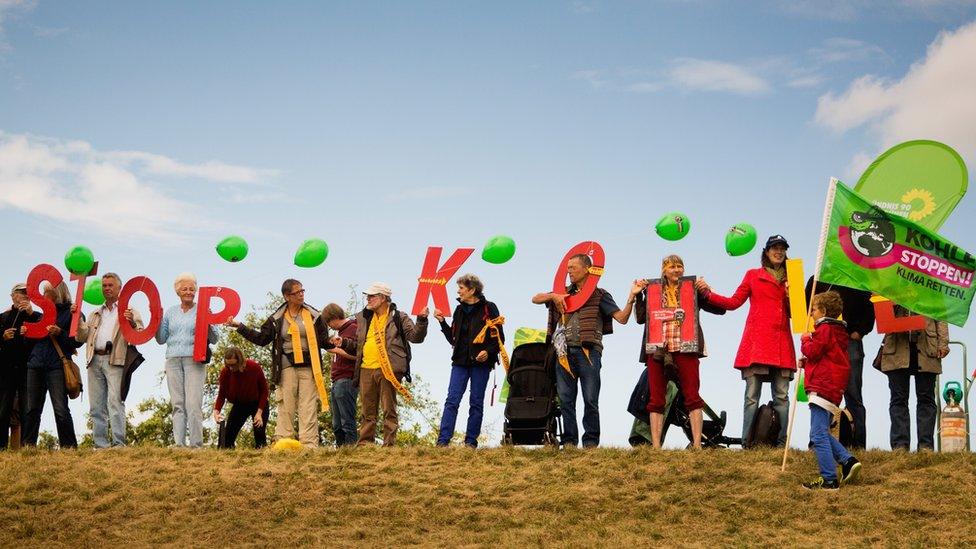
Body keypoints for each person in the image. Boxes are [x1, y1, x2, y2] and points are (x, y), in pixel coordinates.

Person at [532, 253, 641, 448]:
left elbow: (622, 318)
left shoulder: (600, 295)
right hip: (563, 353)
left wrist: (632, 296)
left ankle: (590, 442)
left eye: (573, 268)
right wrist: (553, 296)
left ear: (586, 269)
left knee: (591, 399)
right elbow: (535, 299)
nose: (569, 272)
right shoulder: (562, 293)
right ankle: (569, 442)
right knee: (566, 400)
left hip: (589, 352)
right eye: (567, 268)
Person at [698, 235, 797, 445]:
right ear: (767, 252)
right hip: (757, 345)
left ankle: (781, 444)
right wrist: (707, 293)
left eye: (782, 248)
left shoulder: (793, 277)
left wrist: (790, 295)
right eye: (774, 248)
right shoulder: (753, 275)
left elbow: (797, 315)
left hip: (781, 344)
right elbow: (733, 302)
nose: (778, 252)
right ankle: (747, 442)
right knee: (752, 397)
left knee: (782, 397)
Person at [226, 279, 330, 447]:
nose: (301, 294)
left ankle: (309, 444)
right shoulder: (277, 317)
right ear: (287, 296)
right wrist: (239, 326)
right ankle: (284, 442)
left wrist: (335, 341)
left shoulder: (314, 315)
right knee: (286, 405)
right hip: (286, 366)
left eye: (303, 291)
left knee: (308, 406)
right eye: (297, 292)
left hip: (310, 367)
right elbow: (262, 339)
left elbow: (325, 341)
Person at [635, 256, 724, 448]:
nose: (677, 270)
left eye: (680, 266)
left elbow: (720, 310)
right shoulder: (653, 290)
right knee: (656, 398)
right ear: (664, 270)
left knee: (692, 395)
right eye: (672, 266)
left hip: (686, 347)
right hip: (658, 349)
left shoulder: (691, 289)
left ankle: (698, 444)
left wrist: (706, 290)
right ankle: (656, 447)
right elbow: (641, 318)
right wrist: (637, 295)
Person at [332, 282, 428, 447]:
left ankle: (389, 444)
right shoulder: (364, 318)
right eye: (367, 296)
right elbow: (359, 346)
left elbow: (415, 337)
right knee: (367, 411)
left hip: (389, 368)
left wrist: (422, 319)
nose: (368, 299)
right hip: (365, 369)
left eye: (372, 296)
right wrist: (344, 342)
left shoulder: (399, 316)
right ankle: (365, 444)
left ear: (383, 298)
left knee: (389, 409)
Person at [799, 291, 861, 490]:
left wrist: (806, 340)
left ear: (824, 311)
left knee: (817, 435)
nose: (811, 314)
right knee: (822, 432)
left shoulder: (824, 329)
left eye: (814, 309)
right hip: (831, 386)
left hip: (822, 386)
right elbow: (825, 357)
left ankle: (829, 478)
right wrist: (808, 362)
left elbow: (814, 351)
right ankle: (847, 460)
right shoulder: (837, 331)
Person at [433, 274, 504, 448]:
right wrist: (442, 322)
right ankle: (443, 441)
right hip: (459, 363)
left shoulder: (489, 308)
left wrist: (487, 352)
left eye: (461, 288)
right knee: (452, 400)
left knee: (476, 402)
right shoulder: (459, 310)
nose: (458, 291)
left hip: (481, 364)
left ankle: (470, 442)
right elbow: (453, 339)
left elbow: (499, 338)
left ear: (472, 290)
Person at [75, 273, 144, 448]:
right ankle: (100, 444)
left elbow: (140, 334)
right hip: (94, 359)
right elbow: (81, 337)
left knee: (115, 402)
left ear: (120, 288)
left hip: (116, 359)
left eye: (110, 285)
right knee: (96, 406)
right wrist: (77, 320)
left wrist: (132, 323)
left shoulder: (129, 311)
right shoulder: (95, 313)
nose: (106, 288)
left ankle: (119, 443)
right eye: (104, 285)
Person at [805, 278, 874, 450]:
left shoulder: (858, 279)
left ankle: (858, 445)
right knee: (822, 393)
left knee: (853, 394)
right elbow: (805, 308)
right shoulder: (817, 279)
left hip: (849, 341)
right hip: (822, 339)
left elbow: (869, 307)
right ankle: (819, 442)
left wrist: (860, 330)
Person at [155, 272, 217, 448]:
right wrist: (157, 321)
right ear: (178, 292)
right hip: (173, 359)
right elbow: (161, 338)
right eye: (185, 289)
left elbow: (215, 338)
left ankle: (196, 444)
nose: (189, 292)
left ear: (196, 291)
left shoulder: (202, 309)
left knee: (193, 403)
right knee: (177, 404)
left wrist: (209, 320)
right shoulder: (171, 312)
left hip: (194, 359)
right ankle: (179, 444)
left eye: (192, 288)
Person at [877, 306, 949, 451]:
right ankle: (900, 446)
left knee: (926, 399)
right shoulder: (889, 286)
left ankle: (925, 446)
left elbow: (940, 315)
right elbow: (882, 314)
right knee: (898, 399)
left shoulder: (931, 285)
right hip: (896, 347)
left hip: (927, 347)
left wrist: (943, 343)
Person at [21, 282, 83, 448]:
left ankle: (69, 447)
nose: (45, 295)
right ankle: (28, 446)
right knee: (32, 408)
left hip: (57, 365)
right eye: (43, 292)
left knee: (60, 409)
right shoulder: (42, 316)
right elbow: (31, 344)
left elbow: (77, 342)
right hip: (35, 364)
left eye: (48, 292)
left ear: (58, 292)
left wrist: (60, 333)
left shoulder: (72, 312)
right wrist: (26, 335)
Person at [0, 284, 39, 450]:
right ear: (12, 296)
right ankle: (1, 447)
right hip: (5, 371)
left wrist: (30, 322)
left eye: (27, 293)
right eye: (21, 293)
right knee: (3, 409)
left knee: (27, 409)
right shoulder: (3, 317)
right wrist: (2, 337)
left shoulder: (35, 315)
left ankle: (26, 446)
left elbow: (43, 329)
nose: (24, 296)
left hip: (27, 369)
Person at [213, 347, 269, 449]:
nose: (230, 368)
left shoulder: (254, 367)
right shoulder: (225, 372)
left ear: (241, 361)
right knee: (226, 441)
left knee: (259, 436)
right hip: (240, 404)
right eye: (228, 365)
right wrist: (216, 412)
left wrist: (259, 413)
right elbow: (221, 394)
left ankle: (262, 456)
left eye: (233, 365)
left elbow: (264, 391)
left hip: (258, 403)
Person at [321, 303, 359, 447]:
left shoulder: (352, 328)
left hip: (347, 378)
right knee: (337, 423)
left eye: (329, 323)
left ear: (334, 318)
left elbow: (358, 356)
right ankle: (341, 451)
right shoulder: (341, 332)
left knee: (346, 420)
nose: (330, 326)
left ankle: (350, 450)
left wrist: (335, 350)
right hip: (337, 380)